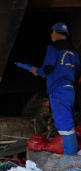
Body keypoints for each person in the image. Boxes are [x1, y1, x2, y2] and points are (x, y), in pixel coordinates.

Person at [31, 22, 80, 155]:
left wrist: (38, 71)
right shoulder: (73, 51)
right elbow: (76, 71)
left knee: (64, 123)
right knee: (68, 119)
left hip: (58, 89)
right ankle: (71, 154)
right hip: (70, 89)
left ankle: (71, 158)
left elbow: (48, 68)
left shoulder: (53, 47)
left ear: (54, 32)